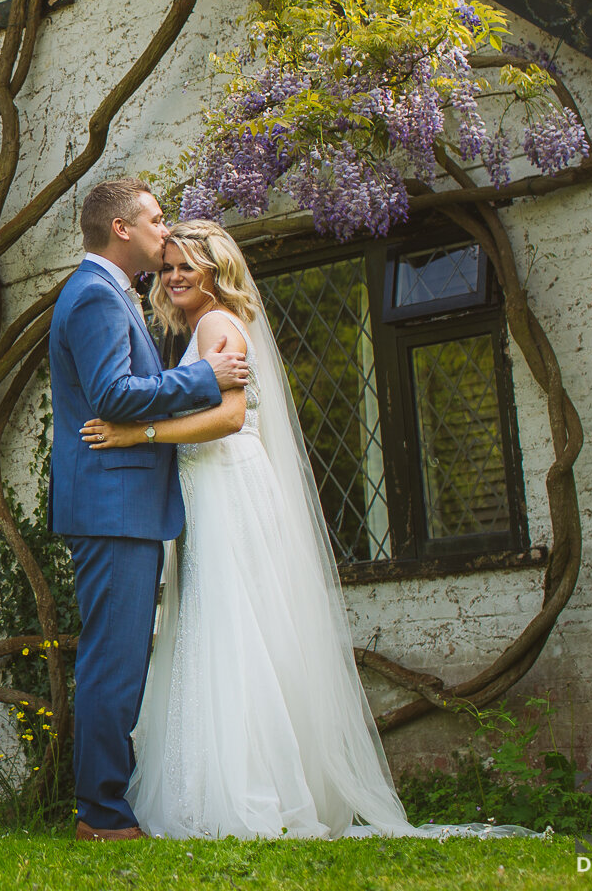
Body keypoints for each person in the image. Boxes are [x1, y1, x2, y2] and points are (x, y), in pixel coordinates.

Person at [82, 219, 419, 839]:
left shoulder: (215, 323)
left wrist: (138, 433)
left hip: (225, 482)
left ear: (216, 270)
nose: (175, 276)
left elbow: (231, 417)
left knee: (231, 625)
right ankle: (240, 783)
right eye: (170, 266)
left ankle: (247, 793)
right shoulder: (206, 325)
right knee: (233, 626)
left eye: (189, 265)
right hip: (214, 486)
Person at [48, 179, 251, 842]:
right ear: (123, 230)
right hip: (113, 505)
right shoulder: (94, 295)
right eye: (158, 221)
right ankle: (101, 815)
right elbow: (113, 393)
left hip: (122, 502)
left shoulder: (113, 294)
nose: (167, 232)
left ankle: (109, 803)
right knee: (115, 662)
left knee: (121, 659)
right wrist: (204, 379)